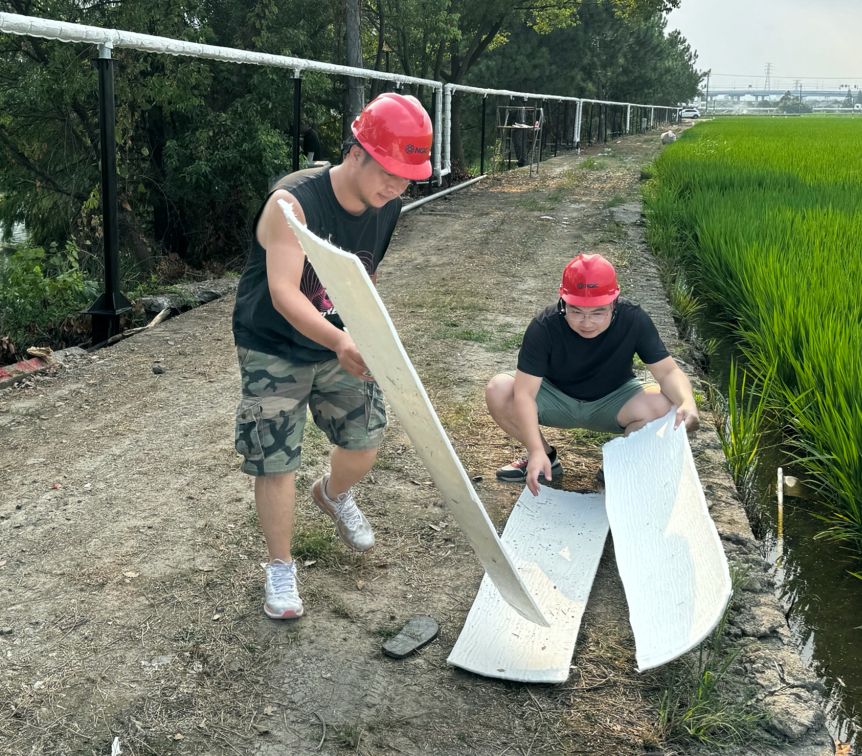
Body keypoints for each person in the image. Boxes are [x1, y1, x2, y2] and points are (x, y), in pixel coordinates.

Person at [232, 93, 432, 619]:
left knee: (365, 438)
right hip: (273, 345)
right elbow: (284, 292)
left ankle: (333, 493)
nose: (397, 186)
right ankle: (280, 568)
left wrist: (363, 335)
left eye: (408, 178)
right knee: (276, 460)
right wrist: (340, 341)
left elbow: (361, 279)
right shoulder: (292, 203)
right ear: (357, 151)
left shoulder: (387, 208)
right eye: (390, 170)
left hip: (340, 340)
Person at [485, 253, 700, 497]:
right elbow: (524, 394)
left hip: (614, 400)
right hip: (556, 398)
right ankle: (546, 458)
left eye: (598, 313)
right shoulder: (545, 325)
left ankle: (618, 463)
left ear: (614, 303)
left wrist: (687, 401)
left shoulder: (634, 319)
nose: (587, 323)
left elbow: (668, 371)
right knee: (499, 389)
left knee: (666, 404)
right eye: (576, 312)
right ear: (563, 301)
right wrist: (535, 450)